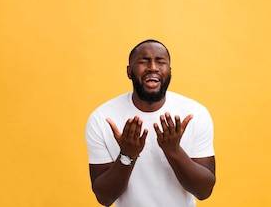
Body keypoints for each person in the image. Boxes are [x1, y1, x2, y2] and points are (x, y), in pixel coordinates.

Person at [85, 39, 216, 207]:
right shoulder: (102, 118)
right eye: (143, 61)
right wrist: (127, 155)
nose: (153, 67)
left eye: (160, 62)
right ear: (129, 72)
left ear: (169, 71)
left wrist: (173, 150)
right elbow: (104, 198)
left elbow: (204, 191)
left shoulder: (195, 114)